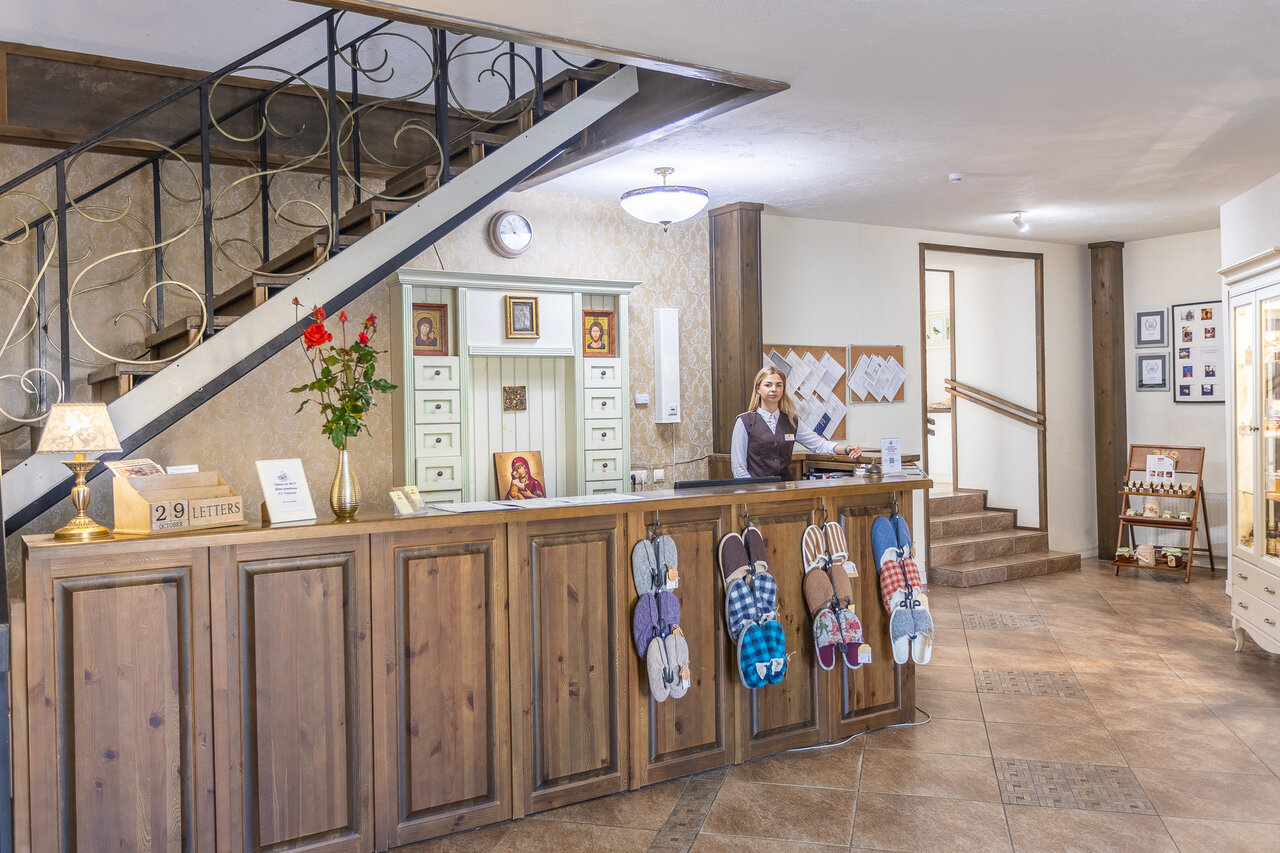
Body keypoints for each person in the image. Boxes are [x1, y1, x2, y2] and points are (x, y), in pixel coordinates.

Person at [731, 365, 860, 480]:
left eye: (779, 385)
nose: (774, 389)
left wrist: (846, 449)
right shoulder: (744, 422)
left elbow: (819, 444)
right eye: (768, 385)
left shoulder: (792, 421)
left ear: (783, 389)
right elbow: (738, 468)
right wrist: (750, 492)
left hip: (786, 489)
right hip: (756, 491)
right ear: (758, 388)